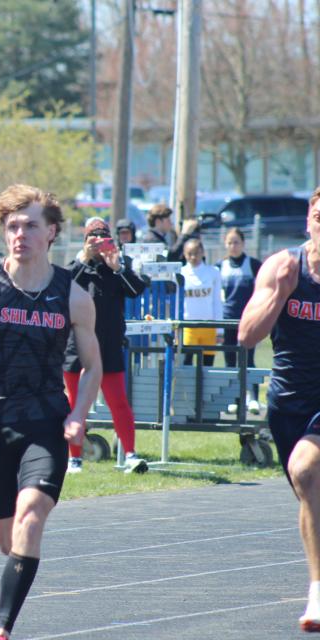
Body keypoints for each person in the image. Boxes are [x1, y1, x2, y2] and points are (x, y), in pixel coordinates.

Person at [0, 184, 101, 640]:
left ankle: (1, 628)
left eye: (30, 225)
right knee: (7, 539)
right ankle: (19, 571)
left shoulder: (72, 296)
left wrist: (79, 414)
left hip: (46, 423)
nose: (20, 234)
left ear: (51, 232)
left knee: (32, 513)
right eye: (12, 226)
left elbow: (93, 366)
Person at [238, 186, 320, 632]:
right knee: (311, 494)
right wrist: (279, 294)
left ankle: (317, 595)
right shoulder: (283, 266)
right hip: (288, 404)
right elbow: (246, 336)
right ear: (308, 220)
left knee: (308, 471)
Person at [64, 219, 149, 474]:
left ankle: (131, 455)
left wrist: (118, 267)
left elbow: (136, 290)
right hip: (77, 346)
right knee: (74, 403)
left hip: (109, 346)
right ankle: (74, 458)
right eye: (94, 237)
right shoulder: (77, 267)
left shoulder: (118, 268)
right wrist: (84, 259)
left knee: (118, 402)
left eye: (104, 237)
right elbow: (61, 287)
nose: (100, 243)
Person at [219, 228, 263, 414]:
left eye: (236, 242)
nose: (233, 246)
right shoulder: (219, 266)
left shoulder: (253, 265)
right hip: (227, 320)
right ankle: (233, 399)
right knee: (230, 360)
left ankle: (253, 397)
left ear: (243, 244)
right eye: (230, 242)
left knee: (248, 359)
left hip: (248, 319)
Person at [180, 238, 223, 367]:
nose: (193, 257)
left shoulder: (213, 272)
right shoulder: (180, 273)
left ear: (203, 252)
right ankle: (189, 388)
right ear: (184, 254)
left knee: (208, 365)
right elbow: (177, 303)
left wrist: (220, 330)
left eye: (197, 253)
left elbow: (217, 302)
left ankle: (205, 388)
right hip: (188, 326)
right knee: (186, 363)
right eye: (189, 253)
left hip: (208, 326)